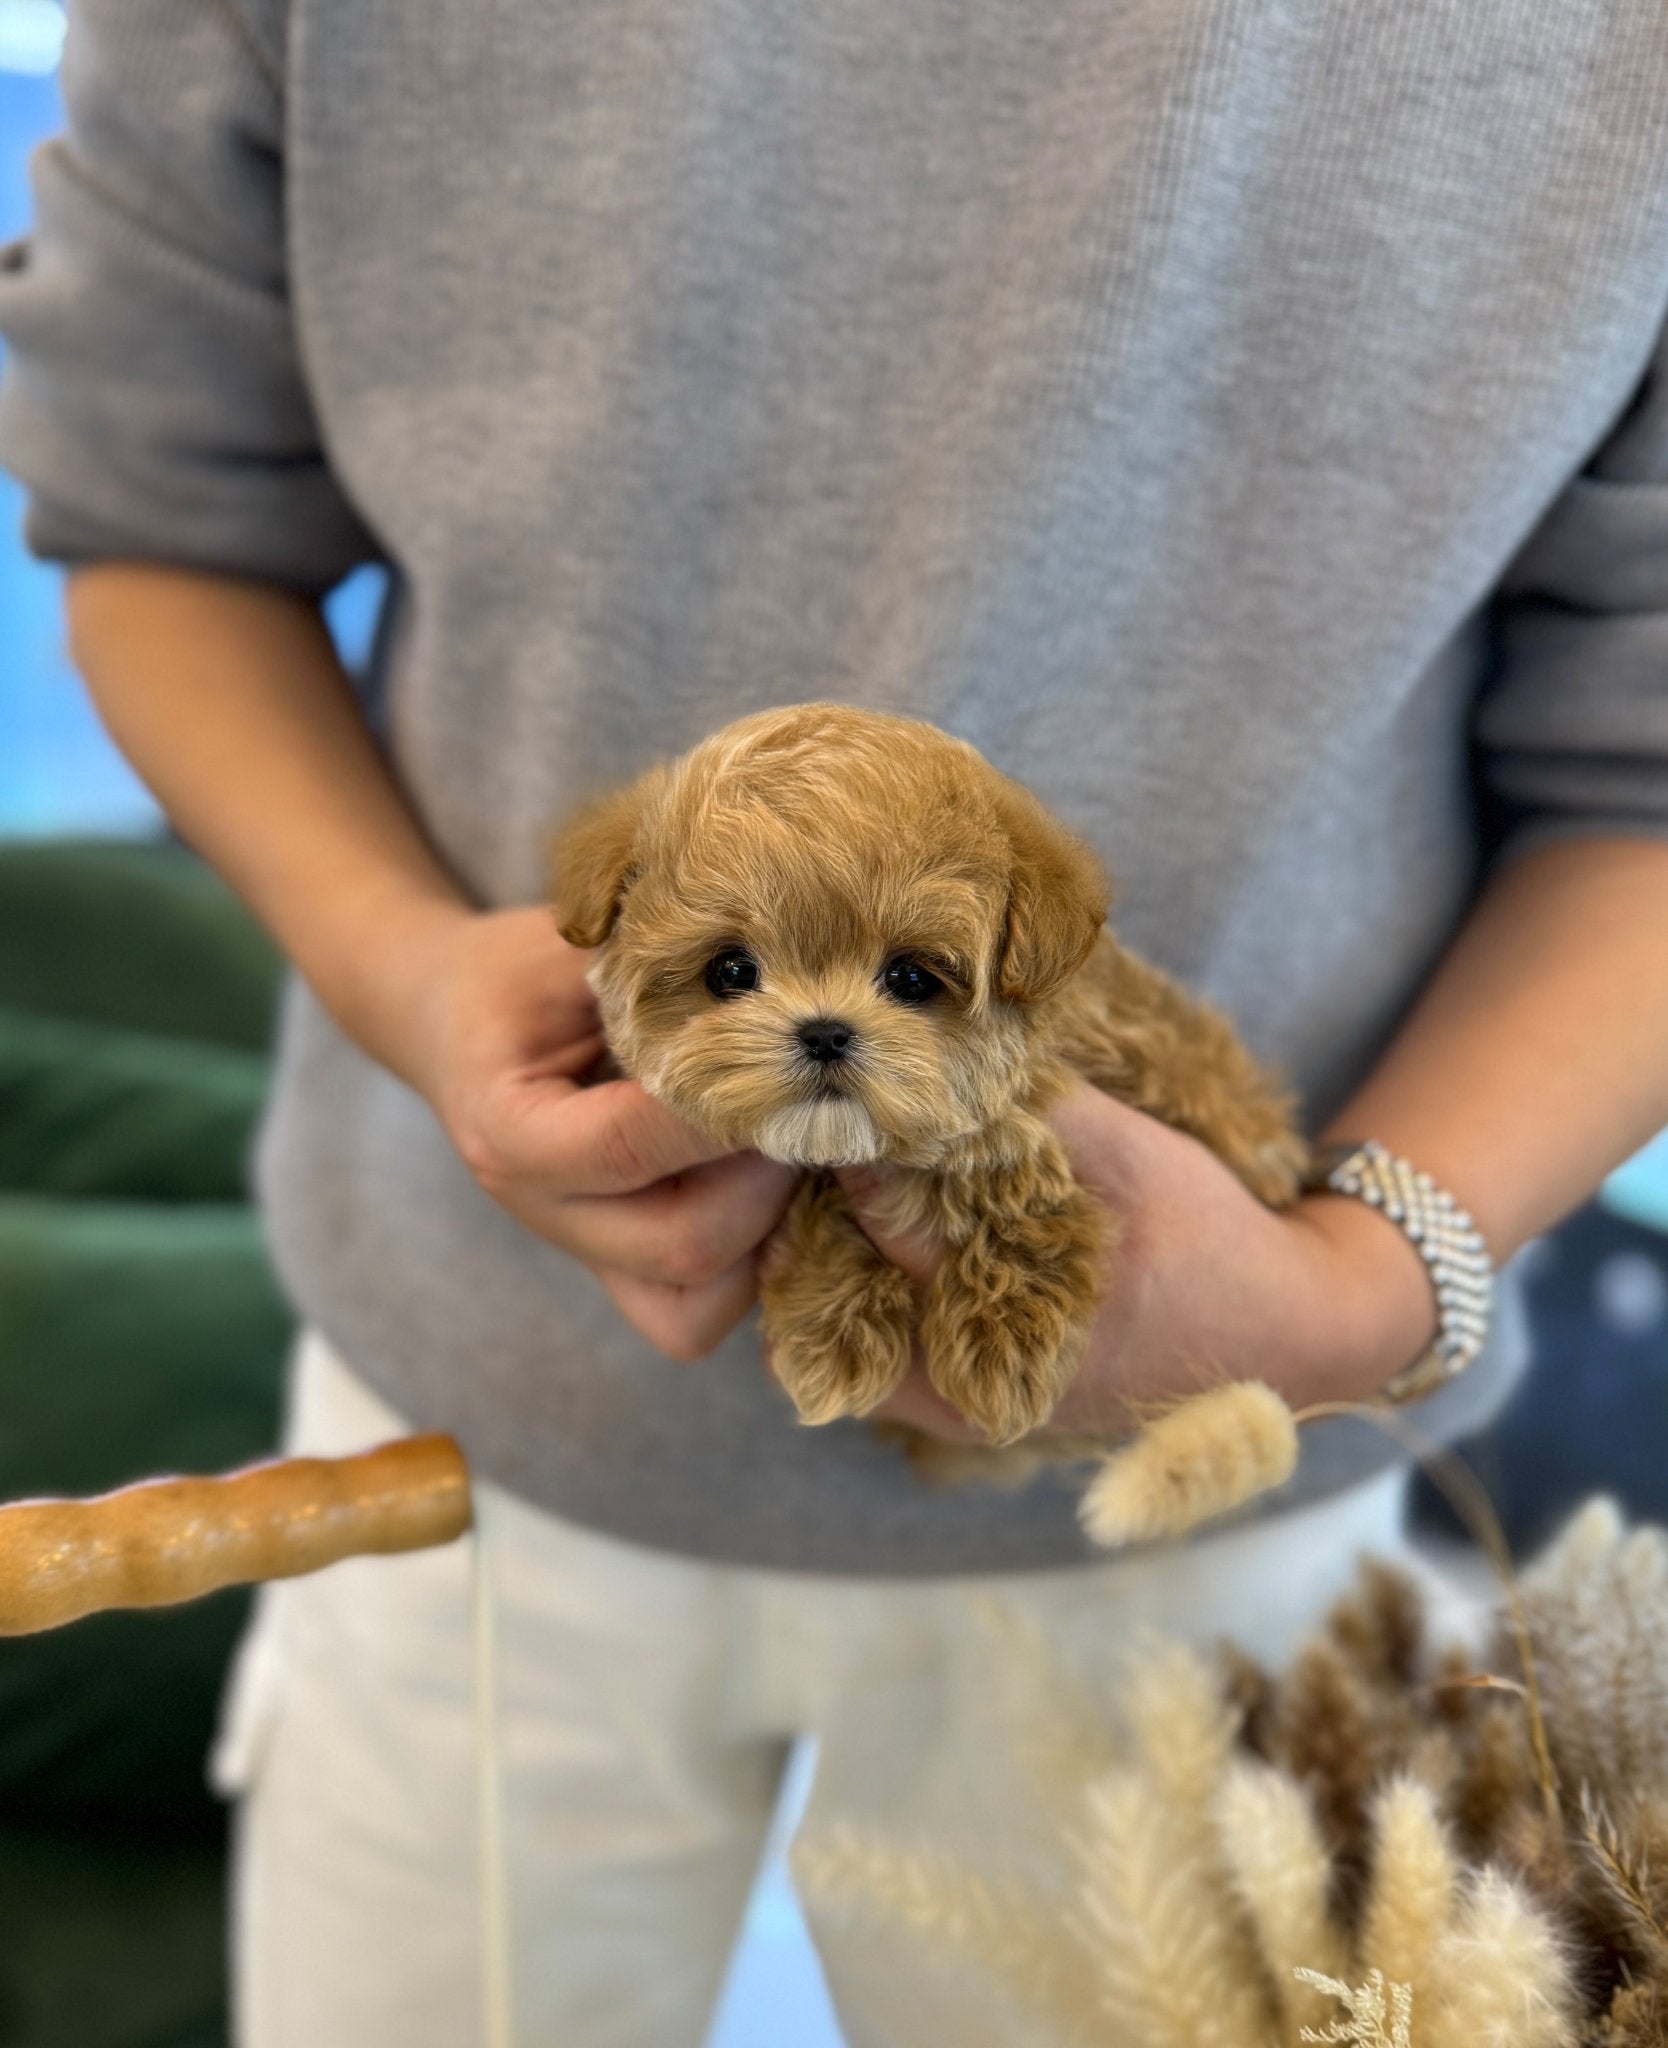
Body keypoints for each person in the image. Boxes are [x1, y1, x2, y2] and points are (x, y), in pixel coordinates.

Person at [3, 2, 1668, 2041]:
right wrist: (402, 970)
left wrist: (1347, 1291)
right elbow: (160, 512)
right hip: (488, 1404)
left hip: (1224, 1467)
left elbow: (1645, 774)